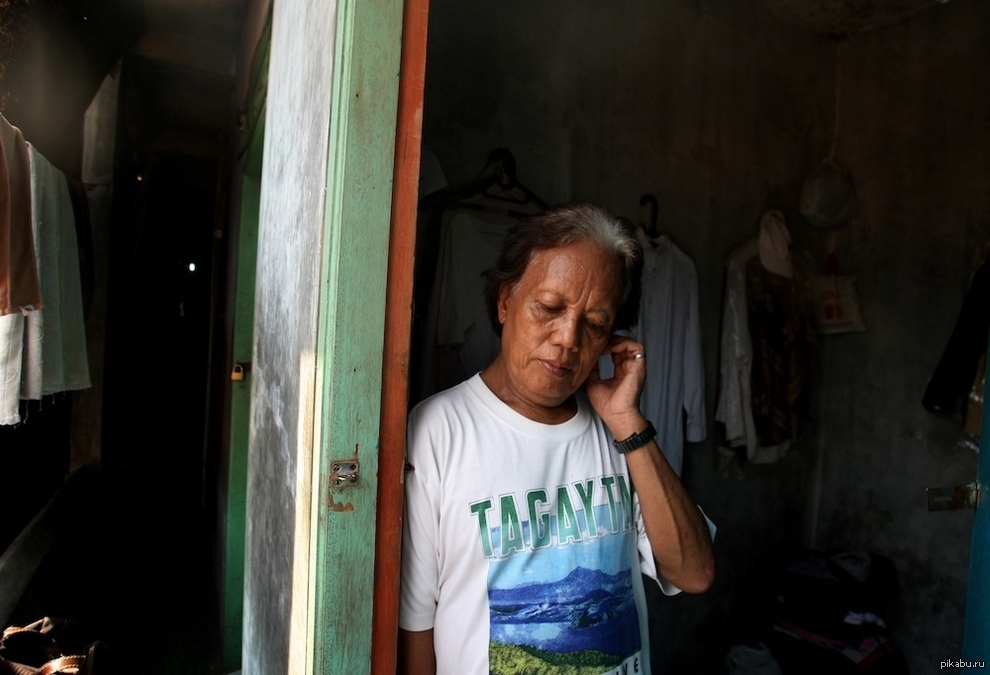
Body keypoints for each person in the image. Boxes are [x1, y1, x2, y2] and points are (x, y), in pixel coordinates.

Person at [399, 202, 716, 675]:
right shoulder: (439, 431)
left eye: (594, 325)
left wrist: (628, 421)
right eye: (549, 308)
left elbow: (693, 574)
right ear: (506, 302)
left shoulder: (619, 434)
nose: (568, 338)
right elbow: (416, 627)